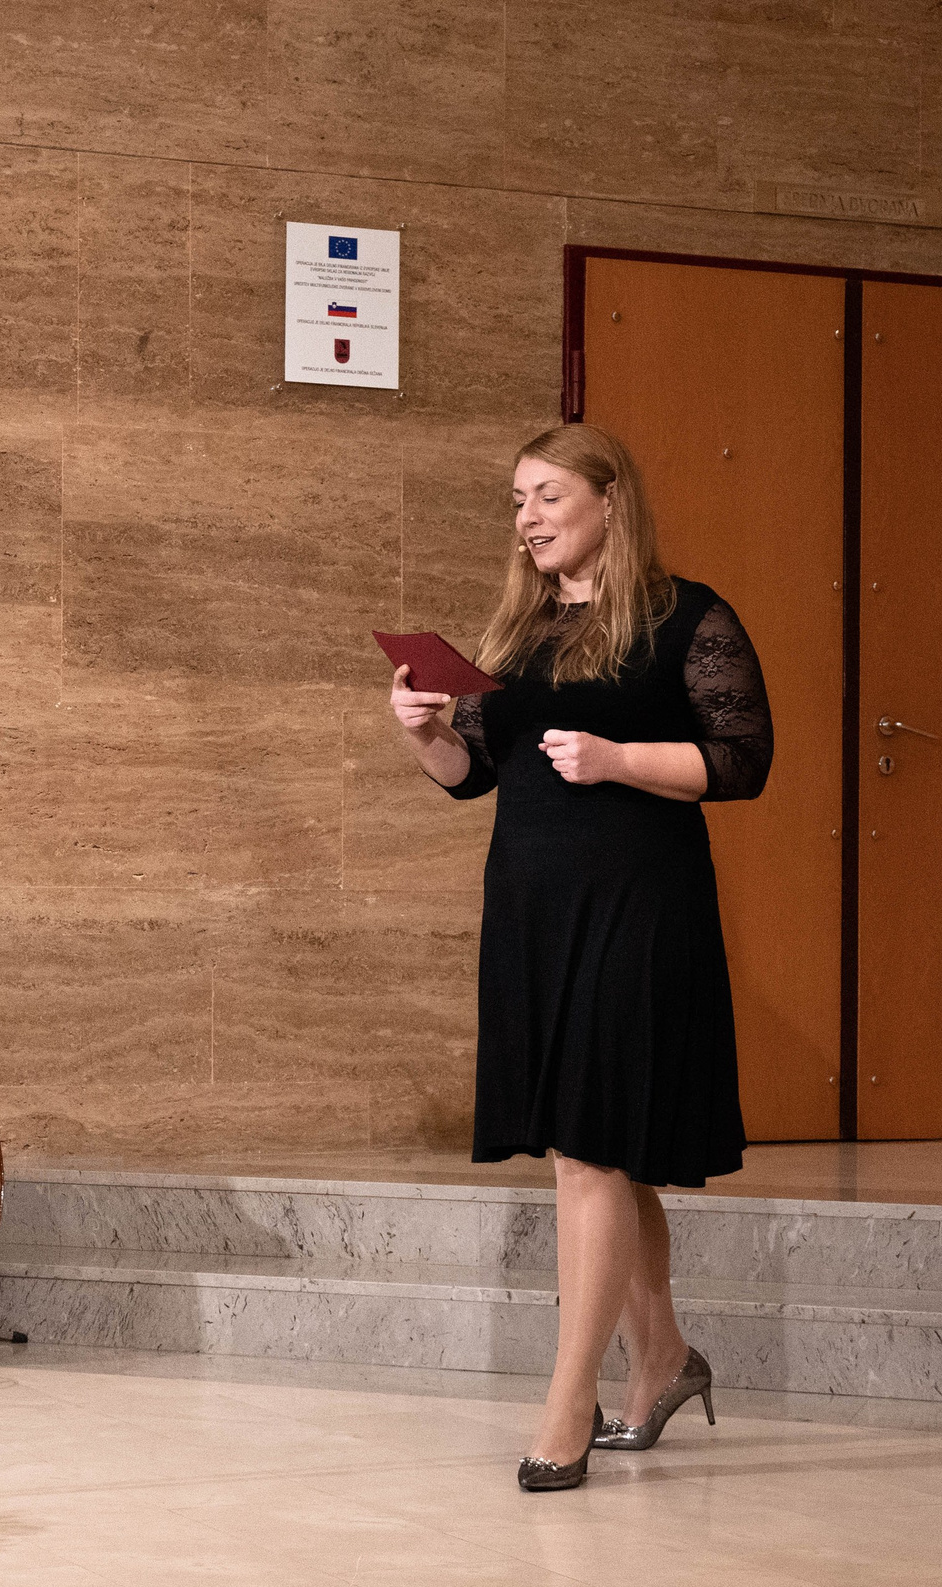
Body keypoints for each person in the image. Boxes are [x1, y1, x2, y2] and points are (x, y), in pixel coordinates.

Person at [391, 424, 772, 1491]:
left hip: (638, 906)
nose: (527, 517)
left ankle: (568, 1401)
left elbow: (743, 760)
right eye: (517, 500)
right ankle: (662, 1357)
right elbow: (470, 775)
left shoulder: (683, 617)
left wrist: (617, 759)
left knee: (588, 1152)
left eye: (547, 496)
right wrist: (420, 727)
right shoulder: (516, 633)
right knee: (592, 1143)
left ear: (609, 500)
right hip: (531, 908)